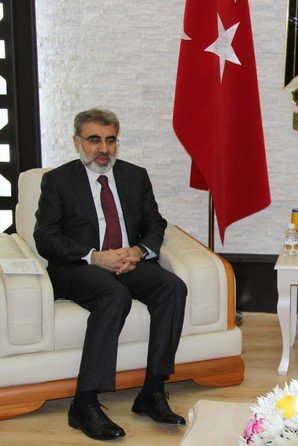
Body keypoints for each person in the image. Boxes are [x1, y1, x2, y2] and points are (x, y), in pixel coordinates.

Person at [34, 108, 188, 441]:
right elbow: (45, 238)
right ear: (77, 142)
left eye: (111, 140)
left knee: (173, 287)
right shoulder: (58, 181)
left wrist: (139, 251)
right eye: (94, 140)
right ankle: (84, 404)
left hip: (127, 262)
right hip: (78, 267)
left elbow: (155, 224)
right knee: (114, 295)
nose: (104, 149)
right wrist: (94, 256)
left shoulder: (135, 176)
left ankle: (152, 392)